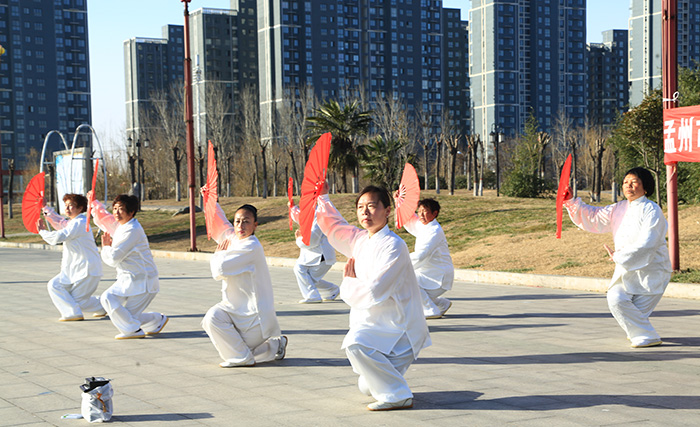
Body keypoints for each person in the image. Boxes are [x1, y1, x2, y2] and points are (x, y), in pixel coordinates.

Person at [315, 184, 430, 411]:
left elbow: (375, 292)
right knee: (365, 386)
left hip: (399, 329)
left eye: (371, 206)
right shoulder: (360, 240)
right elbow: (335, 226)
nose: (365, 212)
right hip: (376, 327)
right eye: (360, 207)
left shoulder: (394, 246)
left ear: (387, 210)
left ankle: (398, 395)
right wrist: (323, 197)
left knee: (355, 343)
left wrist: (349, 282)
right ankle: (391, 387)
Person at [563, 167, 672, 348]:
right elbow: (594, 216)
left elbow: (650, 241)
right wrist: (571, 201)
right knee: (616, 298)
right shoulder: (618, 208)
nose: (629, 186)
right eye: (625, 182)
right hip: (626, 268)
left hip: (652, 271)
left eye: (634, 182)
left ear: (645, 187)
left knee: (636, 313)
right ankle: (645, 334)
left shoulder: (652, 209)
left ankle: (642, 333)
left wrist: (621, 256)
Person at [201, 202, 287, 367]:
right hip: (232, 309)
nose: (241, 226)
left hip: (254, 318)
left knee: (238, 348)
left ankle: (246, 357)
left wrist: (218, 254)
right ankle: (274, 346)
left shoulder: (252, 246)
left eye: (246, 221)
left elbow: (220, 268)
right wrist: (209, 201)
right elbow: (218, 223)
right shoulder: (233, 238)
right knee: (211, 318)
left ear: (255, 225)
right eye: (237, 221)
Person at [92, 194, 167, 340]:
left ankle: (133, 331)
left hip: (143, 281)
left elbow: (114, 257)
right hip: (129, 279)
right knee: (127, 315)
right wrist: (94, 203)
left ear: (131, 212)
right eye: (115, 208)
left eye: (121, 209)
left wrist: (106, 247)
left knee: (111, 302)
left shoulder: (132, 230)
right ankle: (156, 319)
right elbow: (104, 219)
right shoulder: (122, 226)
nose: (116, 212)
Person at [37, 194, 105, 321]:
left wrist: (43, 232)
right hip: (75, 268)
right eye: (66, 205)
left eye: (71, 206)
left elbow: (60, 236)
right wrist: (45, 207)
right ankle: (102, 306)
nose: (67, 208)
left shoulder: (80, 223)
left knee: (77, 301)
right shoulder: (73, 222)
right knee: (55, 285)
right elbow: (60, 222)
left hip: (87, 268)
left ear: (80, 208)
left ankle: (77, 312)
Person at [400, 198, 454, 319]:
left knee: (407, 280)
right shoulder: (425, 226)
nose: (421, 215)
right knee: (408, 284)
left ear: (435, 213)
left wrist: (401, 262)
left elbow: (421, 255)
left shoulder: (434, 231)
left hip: (439, 274)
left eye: (425, 211)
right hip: (429, 272)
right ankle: (441, 303)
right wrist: (400, 202)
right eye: (419, 211)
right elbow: (409, 219)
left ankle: (430, 309)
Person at [288, 203, 339, 303]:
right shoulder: (309, 212)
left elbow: (312, 240)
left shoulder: (318, 214)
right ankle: (332, 289)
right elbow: (299, 217)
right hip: (314, 255)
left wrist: (298, 239)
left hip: (321, 255)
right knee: (308, 277)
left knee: (304, 273)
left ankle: (313, 296)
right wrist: (292, 207)